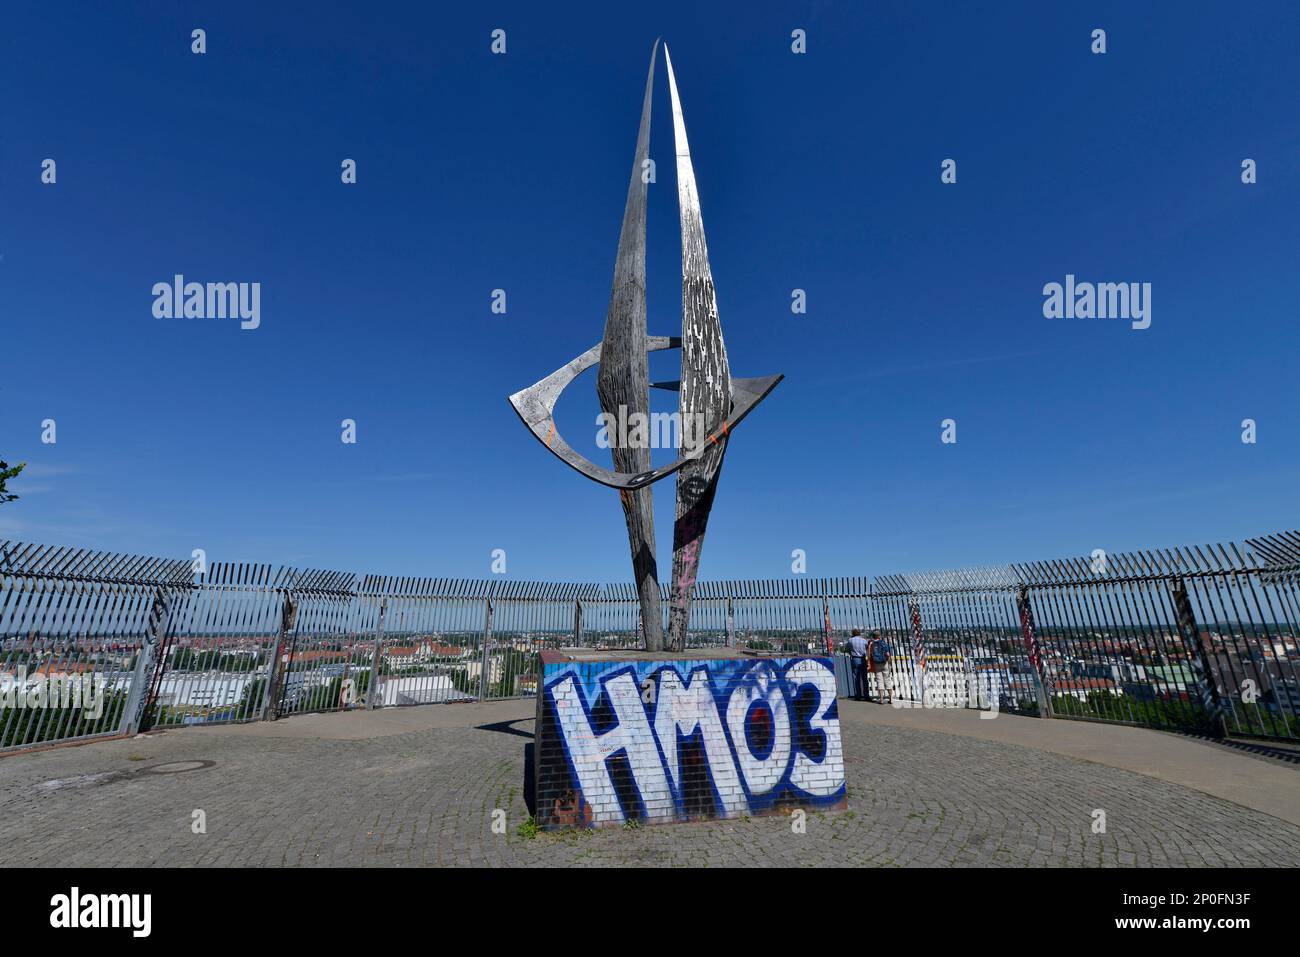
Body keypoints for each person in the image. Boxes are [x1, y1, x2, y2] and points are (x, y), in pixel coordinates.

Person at [865, 630, 890, 703]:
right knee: (887, 680)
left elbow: (869, 655)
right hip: (884, 662)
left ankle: (881, 699)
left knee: (879, 681)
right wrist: (888, 660)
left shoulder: (871, 644)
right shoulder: (883, 643)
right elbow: (887, 654)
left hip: (876, 663)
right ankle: (890, 698)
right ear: (879, 636)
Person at [846, 628, 869, 701]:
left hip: (855, 658)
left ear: (853, 634)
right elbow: (867, 648)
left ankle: (858, 695)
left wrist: (851, 654)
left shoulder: (850, 640)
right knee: (864, 678)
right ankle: (866, 695)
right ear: (859, 633)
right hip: (863, 658)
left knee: (857, 678)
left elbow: (847, 649)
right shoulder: (864, 640)